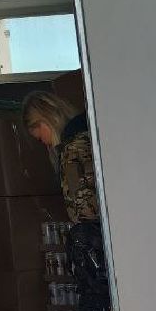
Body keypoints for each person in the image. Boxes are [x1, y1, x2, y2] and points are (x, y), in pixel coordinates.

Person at [23, 91, 99, 224]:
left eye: (40, 139)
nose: (46, 144)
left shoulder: (72, 150)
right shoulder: (89, 130)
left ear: (46, 120)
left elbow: (83, 209)